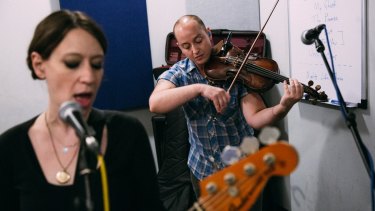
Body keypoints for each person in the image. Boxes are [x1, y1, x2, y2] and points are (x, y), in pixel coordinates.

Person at [0, 10, 165, 211]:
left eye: (96, 64)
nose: (88, 76)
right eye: (72, 63)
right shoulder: (9, 148)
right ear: (39, 65)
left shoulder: (128, 133)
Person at [149, 15, 303, 210]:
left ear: (209, 34)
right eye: (186, 46)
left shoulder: (234, 69)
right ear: (179, 47)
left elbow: (255, 119)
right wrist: (199, 88)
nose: (195, 50)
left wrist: (283, 106)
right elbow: (155, 103)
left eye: (198, 40)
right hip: (203, 171)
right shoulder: (179, 73)